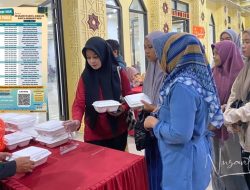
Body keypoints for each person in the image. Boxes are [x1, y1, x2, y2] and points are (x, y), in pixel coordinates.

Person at [144, 32, 223, 190]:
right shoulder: (194, 78)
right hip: (193, 157)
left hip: (183, 162)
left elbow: (180, 134)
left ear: (173, 55)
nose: (160, 62)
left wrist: (154, 123)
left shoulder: (181, 87)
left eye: (162, 56)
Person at [63, 37, 131, 151]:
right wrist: (76, 120)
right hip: (93, 133)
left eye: (95, 57)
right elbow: (79, 103)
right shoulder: (85, 77)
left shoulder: (118, 72)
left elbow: (128, 96)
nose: (92, 61)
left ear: (104, 54)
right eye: (88, 58)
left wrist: (122, 108)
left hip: (117, 131)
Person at [211, 40, 246, 190]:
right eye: (213, 53)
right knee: (217, 165)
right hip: (214, 126)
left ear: (226, 53)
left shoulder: (239, 73)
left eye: (217, 53)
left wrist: (227, 109)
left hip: (233, 130)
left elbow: (242, 101)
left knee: (233, 168)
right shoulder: (213, 72)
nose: (214, 56)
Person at [224, 29, 250, 188]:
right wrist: (229, 116)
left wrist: (232, 116)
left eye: (248, 42)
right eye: (244, 42)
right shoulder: (246, 68)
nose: (243, 46)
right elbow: (234, 93)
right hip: (244, 136)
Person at [141, 31, 165, 190]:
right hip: (149, 128)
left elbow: (171, 104)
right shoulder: (150, 69)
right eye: (145, 47)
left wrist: (154, 108)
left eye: (151, 47)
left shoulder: (167, 70)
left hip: (163, 127)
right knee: (151, 163)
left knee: (163, 168)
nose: (147, 51)